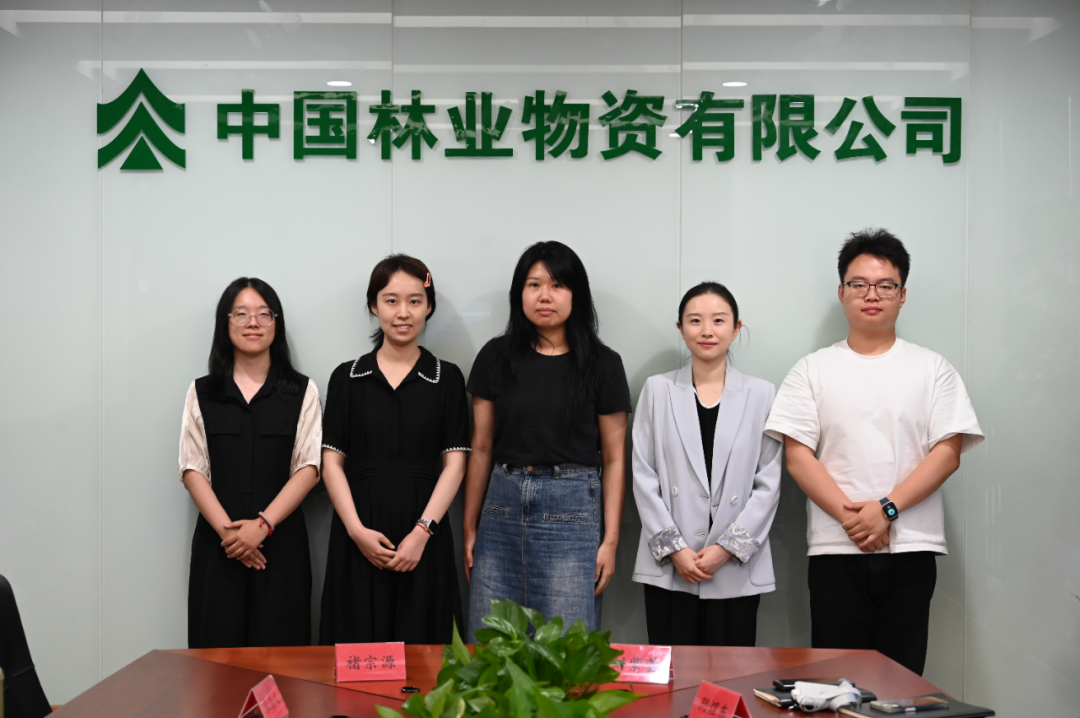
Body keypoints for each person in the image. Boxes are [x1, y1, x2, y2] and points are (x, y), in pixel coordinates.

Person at [764, 229, 983, 675]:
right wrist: (855, 520)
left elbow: (947, 452)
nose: (872, 294)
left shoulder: (933, 368)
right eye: (860, 284)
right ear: (841, 292)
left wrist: (886, 510)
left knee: (901, 683)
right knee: (834, 682)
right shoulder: (811, 370)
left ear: (902, 295)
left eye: (885, 286)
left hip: (911, 547)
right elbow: (798, 456)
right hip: (834, 549)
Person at [463, 241, 631, 640]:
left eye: (557, 285)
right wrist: (469, 527)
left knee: (565, 647)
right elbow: (481, 447)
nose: (544, 295)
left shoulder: (604, 364)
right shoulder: (495, 356)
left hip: (571, 510)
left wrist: (610, 540)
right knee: (491, 645)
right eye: (534, 284)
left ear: (576, 294)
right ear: (519, 293)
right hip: (500, 509)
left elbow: (614, 458)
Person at [319, 255, 469, 644]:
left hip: (425, 534)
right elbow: (331, 462)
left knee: (426, 650)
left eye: (415, 301)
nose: (403, 312)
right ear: (374, 305)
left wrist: (422, 532)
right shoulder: (347, 377)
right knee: (356, 648)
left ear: (429, 306)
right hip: (358, 531)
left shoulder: (447, 378)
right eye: (391, 300)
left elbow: (455, 464)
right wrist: (356, 531)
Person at [631, 282, 781, 646]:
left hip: (734, 567)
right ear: (681, 328)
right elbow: (643, 474)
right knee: (674, 670)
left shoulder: (761, 394)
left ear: (736, 328)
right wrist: (676, 550)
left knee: (731, 672)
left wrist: (726, 549)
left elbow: (769, 482)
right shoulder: (657, 390)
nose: (707, 330)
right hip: (672, 566)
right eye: (695, 320)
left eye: (719, 320)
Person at [179, 278, 322, 648]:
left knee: (283, 658)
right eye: (241, 314)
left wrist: (263, 526)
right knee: (215, 660)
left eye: (264, 314)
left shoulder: (302, 391)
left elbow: (308, 468)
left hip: (282, 545)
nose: (253, 323)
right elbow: (192, 468)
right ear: (225, 324)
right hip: (218, 543)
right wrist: (231, 535)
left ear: (277, 323)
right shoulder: (202, 391)